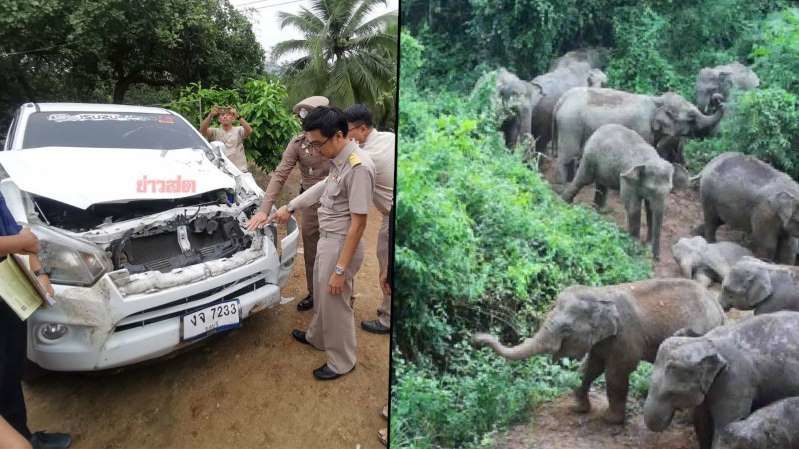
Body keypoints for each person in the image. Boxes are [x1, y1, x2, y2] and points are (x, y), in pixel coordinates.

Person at [265, 107, 375, 380]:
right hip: (327, 242)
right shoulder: (340, 159)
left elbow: (359, 225)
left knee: (336, 305)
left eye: (317, 144)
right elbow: (323, 187)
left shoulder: (359, 167)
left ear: (338, 135)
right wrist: (291, 206)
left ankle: (342, 361)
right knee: (322, 295)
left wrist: (340, 270)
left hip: (340, 244)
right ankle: (317, 337)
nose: (314, 150)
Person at [246, 96, 330, 312]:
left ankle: (341, 296)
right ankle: (314, 293)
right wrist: (264, 210)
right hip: (311, 205)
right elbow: (280, 175)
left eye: (307, 116)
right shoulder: (298, 144)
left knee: (338, 249)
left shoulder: (338, 138)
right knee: (312, 249)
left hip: (338, 201)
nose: (302, 121)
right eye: (301, 117)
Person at [0, 193, 71, 449]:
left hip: (8, 287)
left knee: (10, 371)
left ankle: (23, 434)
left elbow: (23, 238)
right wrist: (19, 241)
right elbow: (22, 239)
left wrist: (40, 274)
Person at [343, 104, 395, 335]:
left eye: (348, 131)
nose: (346, 137)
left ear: (362, 129)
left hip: (392, 215)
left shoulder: (367, 157)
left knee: (387, 268)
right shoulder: (389, 137)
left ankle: (387, 320)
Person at [199, 105, 252, 172]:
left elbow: (249, 130)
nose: (225, 116)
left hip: (240, 170)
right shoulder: (214, 131)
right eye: (222, 115)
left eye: (228, 114)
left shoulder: (239, 130)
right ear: (219, 119)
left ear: (233, 118)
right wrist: (210, 115)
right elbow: (202, 130)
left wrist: (238, 116)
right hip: (222, 171)